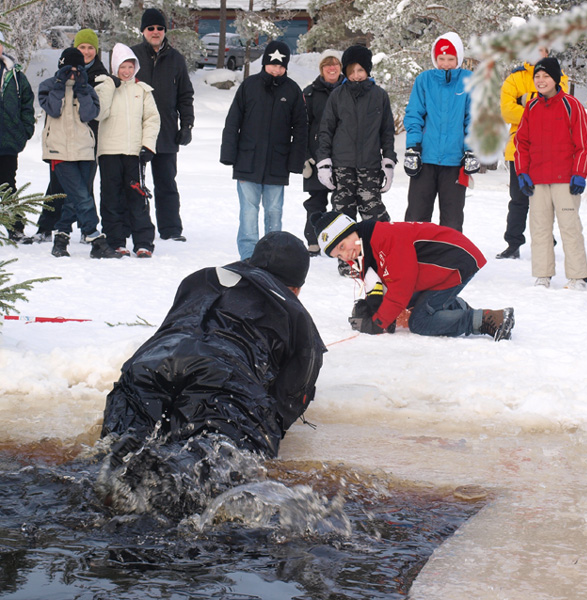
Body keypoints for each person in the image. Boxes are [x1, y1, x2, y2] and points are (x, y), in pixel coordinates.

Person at [101, 231, 326, 459]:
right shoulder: (294, 310)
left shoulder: (200, 279)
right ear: (295, 288)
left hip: (146, 369)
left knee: (110, 461)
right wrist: (267, 425)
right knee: (204, 475)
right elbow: (294, 393)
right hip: (224, 381)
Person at [312, 210, 515, 341]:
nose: (345, 255)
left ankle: (489, 319)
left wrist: (379, 323)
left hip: (454, 261)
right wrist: (372, 307)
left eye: (342, 246)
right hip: (436, 271)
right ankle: (452, 307)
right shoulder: (367, 248)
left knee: (420, 322)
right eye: (338, 255)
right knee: (410, 304)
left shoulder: (383, 238)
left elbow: (401, 287)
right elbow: (385, 285)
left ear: (352, 231)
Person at [220, 41, 307, 260]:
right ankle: (249, 257)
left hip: (277, 164)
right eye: (272, 65)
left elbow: (301, 128)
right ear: (265, 63)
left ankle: (273, 256)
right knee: (249, 213)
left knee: (274, 213)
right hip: (247, 161)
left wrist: (296, 161)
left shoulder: (292, 90)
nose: (276, 70)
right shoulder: (249, 86)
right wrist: (228, 154)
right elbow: (233, 122)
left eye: (280, 66)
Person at [315, 44, 396, 276]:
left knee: (374, 216)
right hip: (342, 167)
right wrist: (324, 162)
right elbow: (326, 131)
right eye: (351, 70)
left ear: (368, 70)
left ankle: (379, 258)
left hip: (370, 167)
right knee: (343, 216)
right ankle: (348, 262)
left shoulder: (379, 96)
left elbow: (387, 132)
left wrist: (388, 161)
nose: (356, 75)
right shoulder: (337, 96)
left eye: (361, 70)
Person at [514, 57, 587, 290]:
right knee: (539, 228)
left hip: (565, 180)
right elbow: (522, 143)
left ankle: (578, 276)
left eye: (546, 76)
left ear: (556, 78)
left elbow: (584, 143)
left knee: (569, 227)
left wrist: (579, 173)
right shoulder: (531, 106)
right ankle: (542, 274)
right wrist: (522, 173)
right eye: (537, 77)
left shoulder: (571, 104)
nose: (540, 80)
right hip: (537, 180)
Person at [26, 28, 108, 245]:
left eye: (91, 47)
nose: (87, 51)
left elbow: (95, 111)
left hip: (87, 140)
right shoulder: (54, 82)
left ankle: (81, 229)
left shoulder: (100, 75)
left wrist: (83, 87)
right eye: (82, 47)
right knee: (57, 187)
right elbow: (52, 108)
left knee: (83, 188)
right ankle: (48, 227)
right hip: (60, 142)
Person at [39, 48, 119, 259]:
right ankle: (95, 238)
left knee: (74, 200)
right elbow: (53, 110)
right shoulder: (48, 86)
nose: (73, 73)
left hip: (84, 149)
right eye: (69, 68)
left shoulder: (86, 88)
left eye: (77, 69)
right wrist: (60, 85)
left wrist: (83, 89)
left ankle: (61, 239)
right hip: (59, 150)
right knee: (83, 198)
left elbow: (89, 115)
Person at [496, 48, 568, 259]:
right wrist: (538, 106)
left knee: (545, 200)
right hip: (518, 149)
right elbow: (506, 110)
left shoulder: (559, 76)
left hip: (549, 149)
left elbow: (559, 107)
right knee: (518, 200)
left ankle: (547, 240)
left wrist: (526, 101)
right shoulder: (515, 78)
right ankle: (513, 244)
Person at [402, 32, 478, 232]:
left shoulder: (469, 80)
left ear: (459, 58)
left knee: (452, 221)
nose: (445, 63)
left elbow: (474, 118)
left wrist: (471, 150)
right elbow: (414, 115)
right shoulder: (424, 80)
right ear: (435, 58)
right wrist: (413, 147)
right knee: (416, 217)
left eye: (451, 59)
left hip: (454, 162)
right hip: (425, 160)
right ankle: (415, 258)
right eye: (441, 58)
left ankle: (449, 261)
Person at [132, 7, 194, 242]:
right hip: (136, 132)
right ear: (143, 31)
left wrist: (187, 125)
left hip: (166, 132)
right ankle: (136, 228)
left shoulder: (176, 58)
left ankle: (170, 230)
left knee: (166, 183)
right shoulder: (132, 56)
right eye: (151, 28)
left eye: (159, 28)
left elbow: (185, 95)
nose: (155, 32)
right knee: (134, 183)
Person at [95, 43, 160, 258]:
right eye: (123, 67)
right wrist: (109, 86)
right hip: (109, 151)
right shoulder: (103, 86)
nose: (127, 71)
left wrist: (148, 145)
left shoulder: (142, 90)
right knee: (111, 198)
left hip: (134, 153)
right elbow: (99, 114)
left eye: (130, 67)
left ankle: (143, 242)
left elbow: (152, 119)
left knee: (137, 198)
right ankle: (115, 240)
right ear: (115, 67)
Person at [302, 49, 343, 256]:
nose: (332, 67)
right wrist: (306, 156)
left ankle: (337, 241)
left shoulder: (349, 89)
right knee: (316, 201)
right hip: (316, 156)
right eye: (327, 64)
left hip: (344, 156)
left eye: (335, 63)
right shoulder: (309, 93)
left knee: (341, 201)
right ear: (321, 68)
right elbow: (302, 126)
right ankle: (314, 239)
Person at [0, 31, 35, 242]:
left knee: (7, 186)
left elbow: (27, 105)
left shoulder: (15, 75)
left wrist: (25, 130)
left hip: (8, 141)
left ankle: (15, 228)